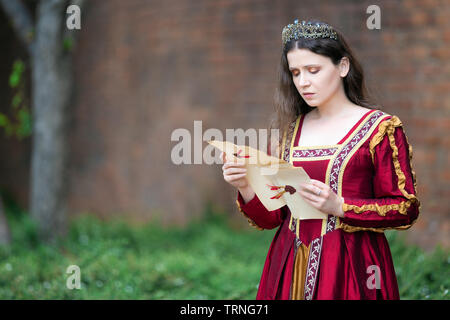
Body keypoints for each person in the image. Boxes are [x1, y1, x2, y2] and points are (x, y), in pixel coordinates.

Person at [221, 19, 420, 300]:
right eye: (296, 72)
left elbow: (405, 207)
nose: (303, 82)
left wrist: (340, 205)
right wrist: (245, 186)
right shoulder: (289, 133)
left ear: (342, 67)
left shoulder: (379, 129)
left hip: (353, 267)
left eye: (313, 70)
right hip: (289, 264)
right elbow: (274, 217)